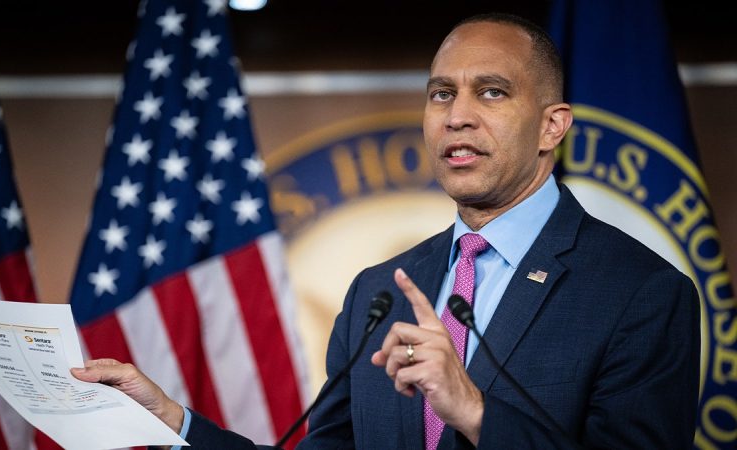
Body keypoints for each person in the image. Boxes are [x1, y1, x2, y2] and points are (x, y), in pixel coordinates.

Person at [72, 12, 700, 449]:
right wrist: (172, 420)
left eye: (491, 93)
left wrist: (475, 413)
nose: (457, 116)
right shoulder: (379, 292)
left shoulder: (640, 293)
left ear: (552, 126)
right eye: (441, 94)